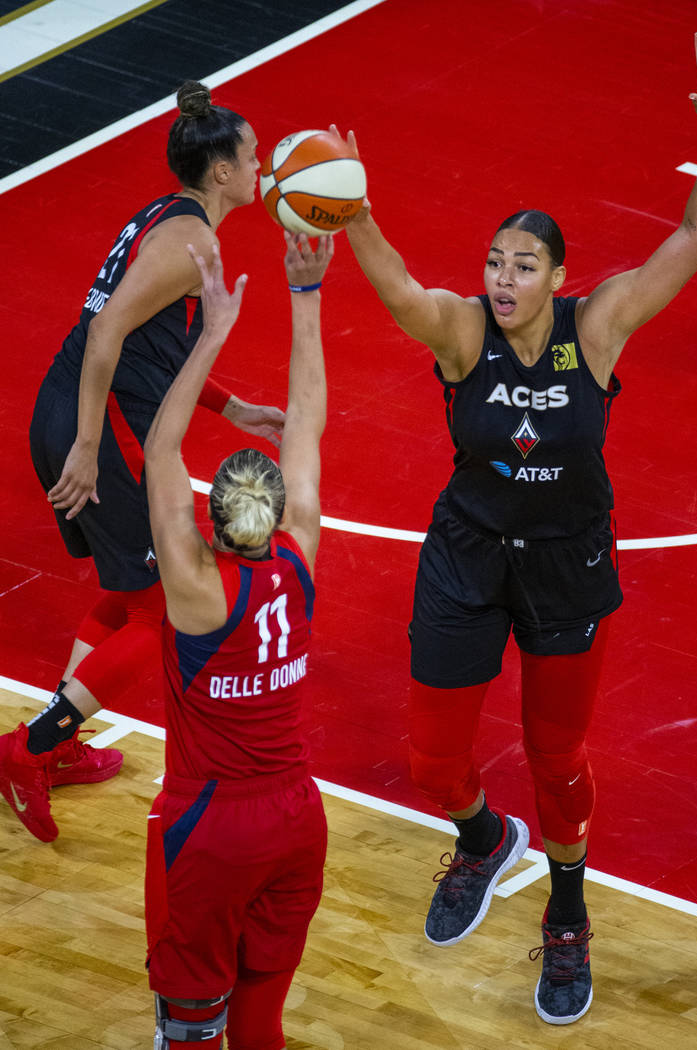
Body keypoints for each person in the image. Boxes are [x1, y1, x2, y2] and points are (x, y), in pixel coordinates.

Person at [338, 24, 697, 1026]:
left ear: (558, 277)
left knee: (560, 759)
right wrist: (350, 213)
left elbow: (695, 240)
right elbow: (397, 287)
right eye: (493, 261)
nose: (502, 278)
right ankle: (484, 840)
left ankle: (567, 913)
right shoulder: (461, 332)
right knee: (434, 759)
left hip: (568, 566)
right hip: (468, 554)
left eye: (523, 265)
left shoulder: (598, 327)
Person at [0, 81, 283, 843]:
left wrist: (233, 409)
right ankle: (28, 749)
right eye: (251, 156)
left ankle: (52, 743)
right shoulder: (195, 244)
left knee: (130, 590)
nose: (260, 166)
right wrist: (89, 450)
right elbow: (106, 335)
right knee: (169, 611)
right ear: (220, 169)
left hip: (77, 410)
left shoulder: (168, 218)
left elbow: (153, 342)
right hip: (103, 428)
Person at [142, 231, 333, 1050]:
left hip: (212, 828)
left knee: (191, 1025)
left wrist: (214, 330)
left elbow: (159, 447)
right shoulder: (299, 553)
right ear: (276, 515)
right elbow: (310, 426)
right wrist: (306, 296)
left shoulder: (197, 591)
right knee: (262, 1015)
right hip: (296, 819)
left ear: (210, 523)